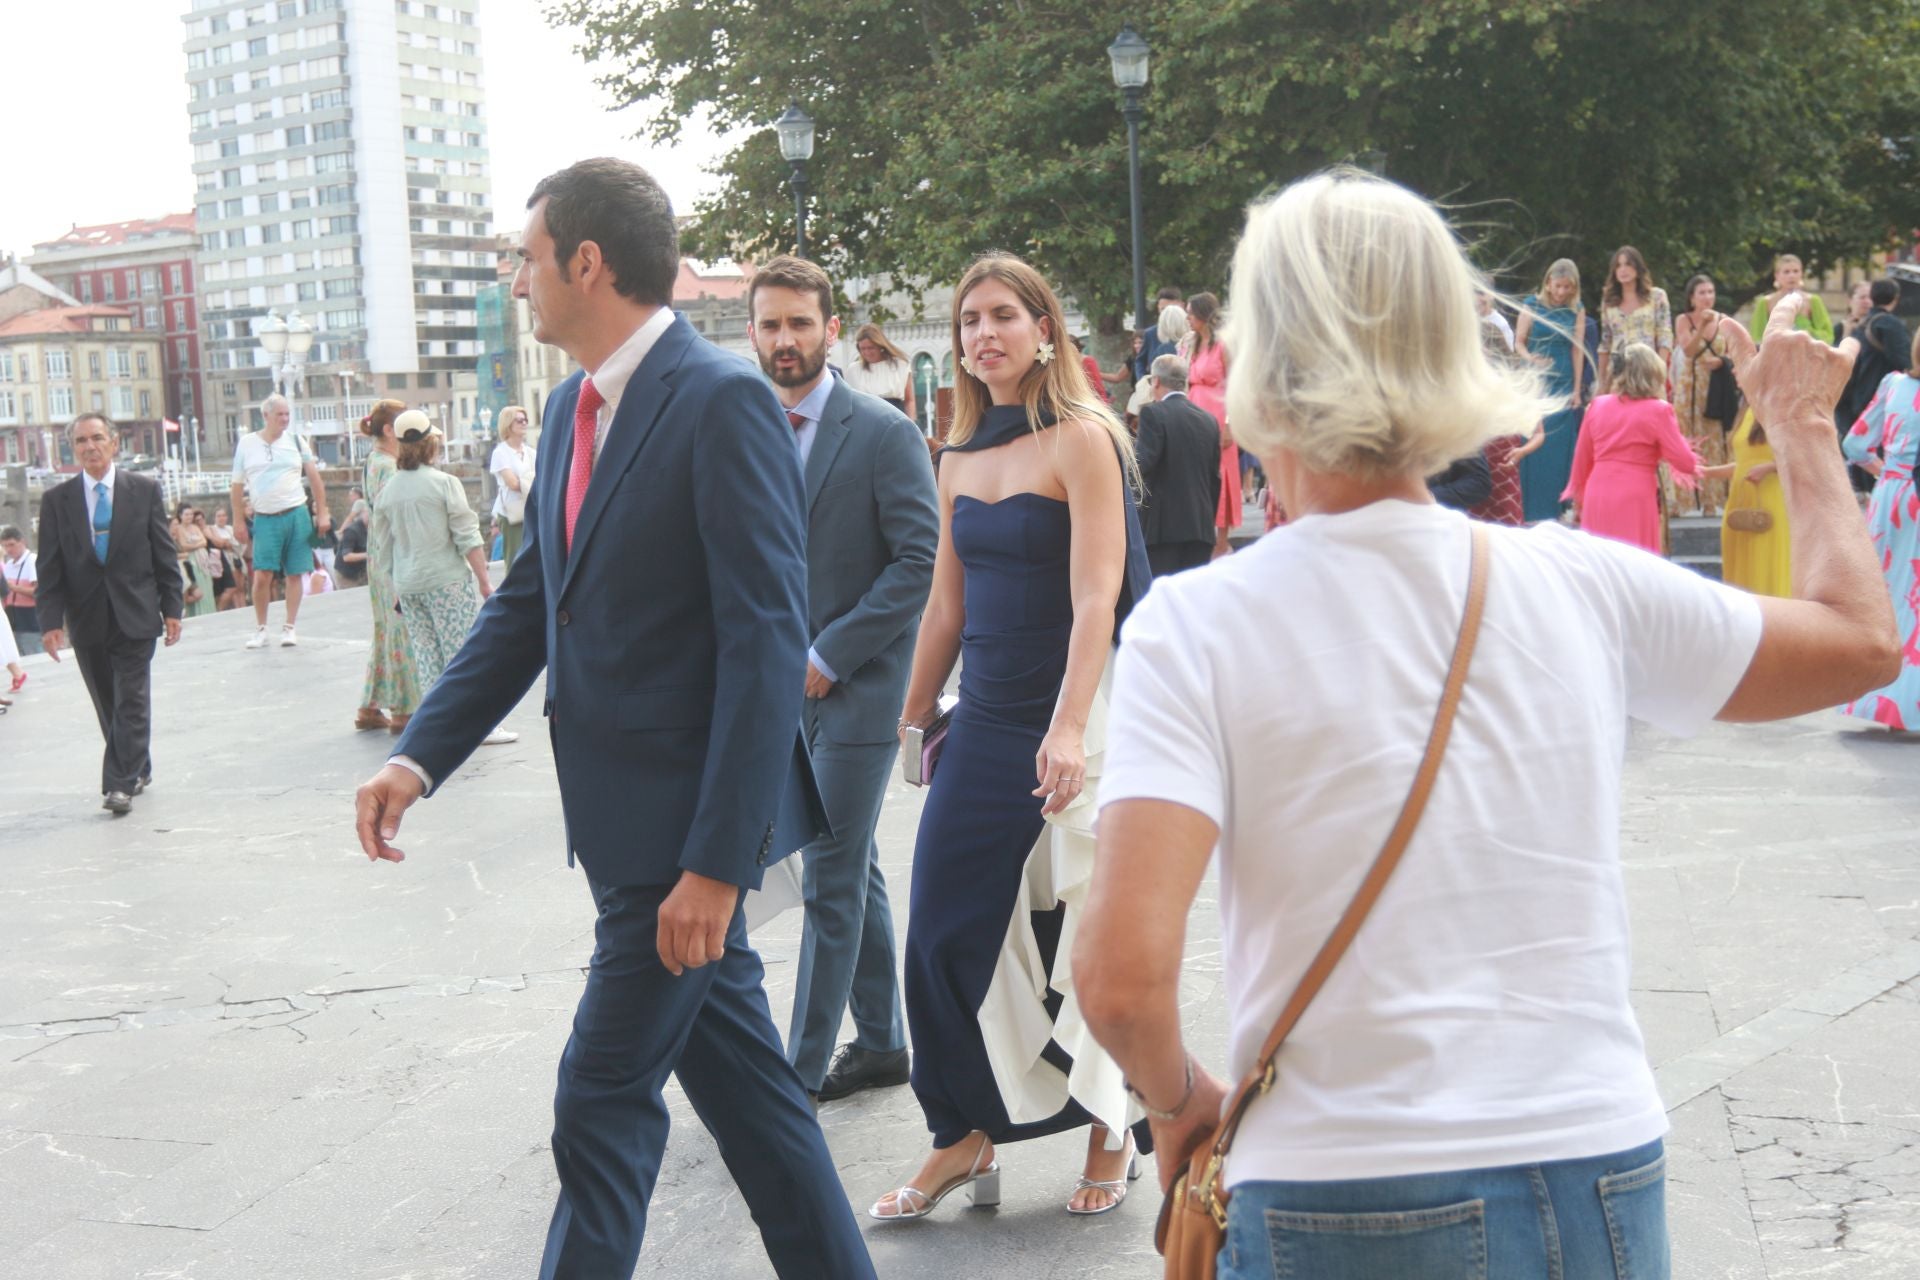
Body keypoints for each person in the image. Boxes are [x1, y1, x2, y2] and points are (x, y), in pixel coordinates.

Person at [1069, 169, 1897, 1280]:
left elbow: (1120, 980)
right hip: (1595, 1153)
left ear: (1261, 356)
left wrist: (1179, 1104)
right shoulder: (1582, 583)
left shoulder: (1199, 625)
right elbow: (1858, 638)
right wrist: (1799, 423)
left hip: (1340, 1177)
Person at [351, 157, 871, 1280]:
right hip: (628, 830)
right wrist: (420, 755)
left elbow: (764, 645)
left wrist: (719, 866)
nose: (516, 281)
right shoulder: (565, 407)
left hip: (680, 848)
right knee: (763, 1119)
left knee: (600, 1099)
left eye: (526, 258)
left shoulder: (722, 398)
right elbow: (536, 600)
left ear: (588, 262)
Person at [876, 251, 1153, 1223]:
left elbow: (1095, 594)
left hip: (1080, 706)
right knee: (941, 931)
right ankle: (962, 1133)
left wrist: (1071, 725)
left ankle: (1111, 1124)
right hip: (986, 716)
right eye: (968, 321)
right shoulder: (953, 455)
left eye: (1003, 315)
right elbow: (944, 609)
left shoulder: (1085, 438)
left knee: (1085, 927)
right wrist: (908, 718)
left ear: (1045, 328)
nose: (983, 334)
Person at [745, 256, 939, 1103]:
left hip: (856, 689)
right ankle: (885, 1042)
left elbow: (918, 561)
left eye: (799, 323)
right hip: (772, 693)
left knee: (827, 874)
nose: (784, 340)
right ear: (751, 333)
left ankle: (793, 1077)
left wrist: (830, 655)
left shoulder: (884, 432)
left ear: (832, 329)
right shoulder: (744, 429)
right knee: (851, 866)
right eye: (769, 325)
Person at [35, 414, 184, 813]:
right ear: (74, 448)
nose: (90, 446)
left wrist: (173, 607)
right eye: (81, 440)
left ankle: (118, 784)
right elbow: (48, 568)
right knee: (108, 702)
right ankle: (138, 764)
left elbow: (163, 554)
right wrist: (50, 622)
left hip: (135, 614)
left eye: (97, 438)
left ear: (114, 442)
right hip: (86, 619)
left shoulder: (144, 490)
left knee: (131, 700)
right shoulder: (57, 501)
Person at [369, 412, 510, 752]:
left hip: (409, 583)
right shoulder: (444, 484)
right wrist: (484, 580)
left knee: (428, 657)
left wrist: (394, 591)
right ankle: (478, 726)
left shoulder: (389, 492)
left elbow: (383, 550)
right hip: (446, 580)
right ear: (430, 443)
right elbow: (467, 536)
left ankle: (439, 727)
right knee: (462, 654)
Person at [1840, 333, 1920, 728]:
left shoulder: (1893, 385)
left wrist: (1885, 470)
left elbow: (1854, 444)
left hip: (1893, 497)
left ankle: (1881, 700)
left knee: (1887, 598)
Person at [1563, 344, 1704, 552]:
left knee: (1600, 564)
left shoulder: (1596, 406)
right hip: (1635, 494)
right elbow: (1685, 462)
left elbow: (1581, 461)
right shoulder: (1659, 410)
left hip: (1598, 492)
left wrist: (1578, 502)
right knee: (1634, 564)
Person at [229, 393, 331, 649]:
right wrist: (238, 520)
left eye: (287, 414)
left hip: (297, 513)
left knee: (296, 572)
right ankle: (261, 628)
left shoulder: (297, 441)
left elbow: (315, 479)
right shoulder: (247, 444)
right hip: (265, 517)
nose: (285, 419)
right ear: (266, 416)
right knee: (262, 574)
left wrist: (322, 512)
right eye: (280, 415)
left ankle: (290, 626)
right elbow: (236, 485)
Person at [356, 401, 422, 734]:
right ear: (388, 430)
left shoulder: (374, 461)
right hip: (392, 554)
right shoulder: (388, 466)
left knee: (386, 627)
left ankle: (370, 705)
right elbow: (392, 512)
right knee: (401, 628)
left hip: (377, 553)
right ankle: (404, 709)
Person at [1135, 353, 1223, 576]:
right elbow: (1215, 479)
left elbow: (1142, 465)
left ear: (1155, 381)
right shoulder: (1209, 420)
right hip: (1200, 527)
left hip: (1162, 530)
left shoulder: (1153, 414)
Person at [1513, 259, 1588, 521]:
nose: (1561, 292)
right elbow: (1519, 342)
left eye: (1567, 287)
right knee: (1533, 442)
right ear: (1548, 283)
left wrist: (1577, 390)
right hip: (1536, 380)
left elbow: (1577, 349)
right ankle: (1529, 508)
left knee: (1558, 444)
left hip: (1563, 378)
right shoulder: (1531, 305)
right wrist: (1530, 359)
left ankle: (1557, 508)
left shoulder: (1576, 309)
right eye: (1558, 286)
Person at [1672, 274, 1739, 516]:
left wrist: (1723, 362)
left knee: (1715, 441)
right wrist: (1700, 326)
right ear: (1692, 297)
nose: (1707, 297)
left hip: (1716, 387)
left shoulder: (1725, 321)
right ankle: (1684, 499)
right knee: (1688, 439)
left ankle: (1712, 500)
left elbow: (1736, 354)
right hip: (1691, 388)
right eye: (1702, 293)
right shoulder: (1683, 320)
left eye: (1711, 292)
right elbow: (1688, 351)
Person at [1183, 292, 1242, 556]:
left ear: (1203, 315)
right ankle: (1201, 534)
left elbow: (1235, 385)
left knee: (1222, 475)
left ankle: (1221, 541)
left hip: (1218, 415)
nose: (1187, 318)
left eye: (1191, 313)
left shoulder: (1223, 345)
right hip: (1194, 412)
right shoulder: (1192, 345)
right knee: (1197, 476)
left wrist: (1229, 424)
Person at [1596, 246, 1673, 394]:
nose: (1623, 269)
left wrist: (1659, 370)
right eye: (1618, 265)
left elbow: (1665, 335)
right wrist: (1602, 381)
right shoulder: (1608, 301)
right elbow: (1605, 341)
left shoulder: (1657, 297)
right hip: (1618, 371)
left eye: (1628, 264)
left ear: (1638, 268)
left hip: (1647, 369)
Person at [488, 403, 535, 572]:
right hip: (512, 512)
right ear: (508, 424)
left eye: (525, 420)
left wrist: (526, 480)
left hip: (531, 508)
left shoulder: (530, 452)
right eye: (519, 420)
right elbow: (513, 484)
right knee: (515, 557)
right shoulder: (500, 453)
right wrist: (530, 479)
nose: (524, 423)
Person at [1750, 255, 1835, 344]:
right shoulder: (1765, 302)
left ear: (1801, 273)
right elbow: (1757, 337)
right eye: (1786, 272)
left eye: (1796, 271)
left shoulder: (1812, 300)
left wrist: (1807, 333)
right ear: (1777, 275)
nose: (1792, 276)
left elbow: (1828, 335)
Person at [844, 323, 917, 420]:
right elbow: (848, 403)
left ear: (880, 346)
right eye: (863, 349)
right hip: (865, 420)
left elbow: (909, 400)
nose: (867, 352)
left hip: (894, 418)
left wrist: (911, 426)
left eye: (871, 348)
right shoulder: (853, 370)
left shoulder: (901, 365)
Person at [170, 502, 217, 619]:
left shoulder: (195, 527)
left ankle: (209, 611)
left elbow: (204, 542)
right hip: (190, 560)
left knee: (207, 585)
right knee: (197, 584)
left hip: (203, 561)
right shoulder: (179, 529)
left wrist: (194, 544)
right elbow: (184, 545)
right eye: (186, 514)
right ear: (180, 515)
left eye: (190, 514)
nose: (189, 517)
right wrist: (197, 544)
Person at [2, 524, 38, 673]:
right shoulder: (8, 565)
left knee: (35, 658)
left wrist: (14, 588)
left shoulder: (32, 561)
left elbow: (39, 592)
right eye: (5, 546)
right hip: (13, 620)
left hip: (30, 621)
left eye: (12, 545)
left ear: (22, 542)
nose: (9, 550)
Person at [1132, 285, 1186, 383]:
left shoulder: (1189, 334)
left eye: (1170, 309)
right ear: (1158, 308)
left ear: (1181, 306)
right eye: (1163, 309)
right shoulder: (1150, 334)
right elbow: (1140, 361)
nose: (1166, 314)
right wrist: (1142, 381)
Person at [207, 507, 244, 611]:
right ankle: (231, 608)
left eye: (223, 515)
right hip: (222, 559)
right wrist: (226, 543)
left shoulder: (230, 529)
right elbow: (219, 543)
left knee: (240, 586)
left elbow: (236, 543)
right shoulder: (212, 529)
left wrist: (227, 543)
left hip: (235, 557)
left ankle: (242, 607)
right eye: (219, 516)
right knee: (231, 587)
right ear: (215, 518)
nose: (221, 518)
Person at [334, 498, 371, 588]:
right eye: (368, 513)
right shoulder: (352, 531)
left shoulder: (373, 529)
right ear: (362, 514)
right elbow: (347, 557)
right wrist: (369, 555)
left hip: (361, 573)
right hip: (346, 575)